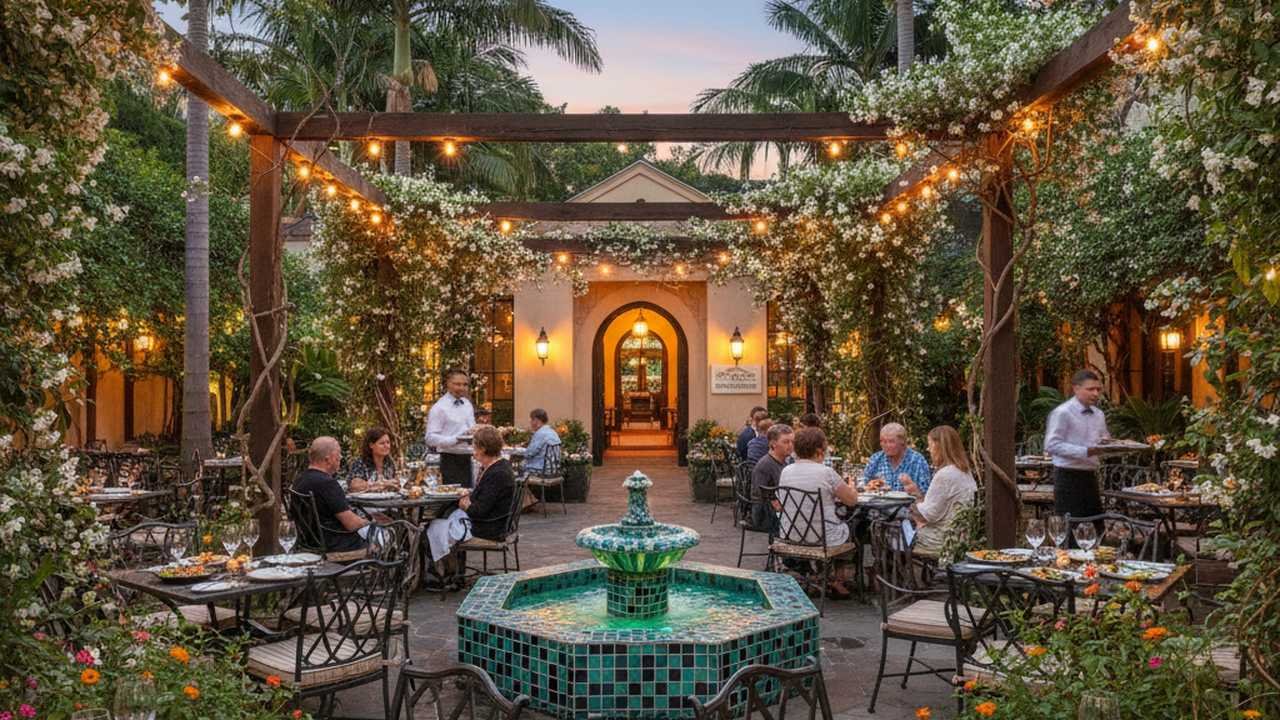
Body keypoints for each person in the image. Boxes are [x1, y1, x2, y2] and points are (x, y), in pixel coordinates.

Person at [423, 425, 516, 579]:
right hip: (493, 522)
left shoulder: (497, 473)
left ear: (483, 449)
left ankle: (443, 575)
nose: (473, 450)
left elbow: (478, 511)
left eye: (475, 446)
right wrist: (469, 496)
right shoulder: (499, 467)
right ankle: (450, 571)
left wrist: (465, 504)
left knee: (432, 527)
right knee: (442, 519)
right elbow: (486, 498)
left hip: (489, 528)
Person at [778, 426, 859, 598]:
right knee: (857, 525)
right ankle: (838, 579)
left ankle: (820, 575)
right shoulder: (826, 472)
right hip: (822, 538)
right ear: (819, 450)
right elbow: (852, 500)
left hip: (791, 534)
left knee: (830, 523)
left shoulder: (786, 471)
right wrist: (852, 486)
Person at [1044, 369, 1111, 522]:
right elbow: (1051, 445)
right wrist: (1085, 451)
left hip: (1090, 476)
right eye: (1090, 389)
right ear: (1076, 388)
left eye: (1098, 389)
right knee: (1071, 526)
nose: (1095, 393)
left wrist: (1112, 445)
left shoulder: (1099, 414)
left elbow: (1104, 440)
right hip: (1067, 477)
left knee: (1096, 525)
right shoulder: (1062, 413)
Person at [903, 425, 978, 555]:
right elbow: (937, 507)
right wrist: (917, 493)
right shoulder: (964, 471)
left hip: (940, 541)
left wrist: (905, 502)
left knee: (887, 529)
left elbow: (926, 516)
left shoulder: (945, 475)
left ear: (939, 447)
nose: (928, 449)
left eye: (930, 445)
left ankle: (877, 563)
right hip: (961, 538)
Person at [292, 436, 369, 554]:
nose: (341, 457)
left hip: (308, 543)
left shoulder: (299, 480)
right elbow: (352, 524)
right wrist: (370, 522)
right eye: (338, 454)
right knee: (387, 532)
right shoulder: (327, 484)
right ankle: (381, 565)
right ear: (328, 459)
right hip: (338, 546)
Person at [426, 369, 477, 488]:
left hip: (470, 459)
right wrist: (456, 439)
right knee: (453, 497)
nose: (462, 388)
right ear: (448, 384)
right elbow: (430, 438)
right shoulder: (439, 408)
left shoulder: (467, 404)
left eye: (465, 385)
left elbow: (471, 428)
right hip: (450, 460)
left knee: (469, 495)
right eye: (457, 384)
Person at [862, 423, 932, 494]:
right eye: (883, 441)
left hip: (910, 501)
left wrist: (914, 490)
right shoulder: (875, 459)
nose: (886, 445)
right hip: (878, 500)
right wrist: (870, 486)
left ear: (902, 441)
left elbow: (926, 495)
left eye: (891, 441)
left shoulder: (917, 461)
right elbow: (863, 487)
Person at [751, 423, 794, 531]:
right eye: (786, 442)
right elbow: (761, 494)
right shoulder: (766, 464)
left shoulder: (783, 462)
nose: (790, 445)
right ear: (773, 444)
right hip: (765, 515)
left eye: (792, 442)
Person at [348, 427, 398, 493]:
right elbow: (354, 486)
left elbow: (396, 483)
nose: (386, 446)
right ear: (371, 445)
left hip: (387, 499)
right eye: (382, 443)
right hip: (363, 500)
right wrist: (382, 484)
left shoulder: (389, 462)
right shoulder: (360, 462)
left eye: (388, 442)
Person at [522, 408, 562, 475]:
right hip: (554, 469)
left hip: (541, 470)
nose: (530, 422)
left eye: (532, 420)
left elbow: (529, 453)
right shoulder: (553, 432)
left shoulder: (540, 433)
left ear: (536, 420)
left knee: (518, 467)